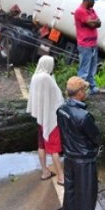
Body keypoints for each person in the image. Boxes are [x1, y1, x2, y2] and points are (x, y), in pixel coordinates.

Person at [57, 76, 102, 210]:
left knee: (70, 190)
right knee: (86, 194)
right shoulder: (84, 116)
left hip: (69, 158)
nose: (87, 92)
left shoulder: (61, 110)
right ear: (80, 93)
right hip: (84, 161)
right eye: (85, 89)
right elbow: (96, 137)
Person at [26, 55, 64, 185]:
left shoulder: (35, 76)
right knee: (53, 148)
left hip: (41, 118)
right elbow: (58, 97)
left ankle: (45, 171)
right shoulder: (47, 78)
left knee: (41, 145)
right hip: (50, 119)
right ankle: (61, 177)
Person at [74, 0, 104, 95]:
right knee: (84, 71)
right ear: (87, 0)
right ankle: (78, 92)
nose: (94, 3)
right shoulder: (80, 11)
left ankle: (93, 88)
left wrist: (94, 22)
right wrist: (94, 22)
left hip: (93, 44)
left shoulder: (91, 10)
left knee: (92, 69)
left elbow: (99, 23)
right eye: (93, 1)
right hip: (85, 45)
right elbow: (92, 24)